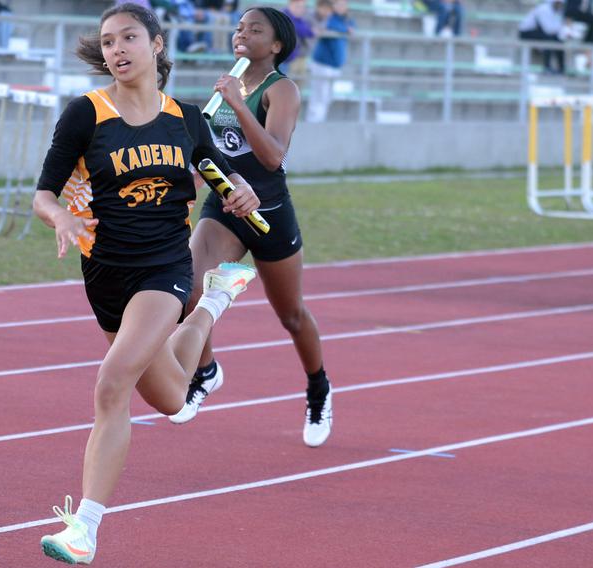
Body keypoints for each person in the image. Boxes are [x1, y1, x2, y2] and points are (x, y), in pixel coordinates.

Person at [32, 4, 260, 564]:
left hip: (163, 269)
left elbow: (215, 173)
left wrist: (240, 190)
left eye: (129, 37)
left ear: (156, 45)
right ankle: (216, 301)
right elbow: (43, 193)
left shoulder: (183, 117)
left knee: (112, 384)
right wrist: (61, 217)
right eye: (108, 42)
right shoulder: (85, 113)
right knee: (173, 400)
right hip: (105, 274)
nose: (117, 50)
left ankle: (83, 530)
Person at [168, 7, 335, 449]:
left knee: (292, 315)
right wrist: (185, 180)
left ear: (276, 44)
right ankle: (205, 371)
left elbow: (273, 156)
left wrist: (239, 103)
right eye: (239, 26)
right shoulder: (227, 84)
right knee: (188, 291)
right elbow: (210, 151)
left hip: (269, 212)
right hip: (225, 204)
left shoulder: (282, 90)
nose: (241, 33)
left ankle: (318, 388)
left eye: (254, 29)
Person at [306, 0, 355, 123]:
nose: (341, 6)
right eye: (338, 4)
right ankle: (314, 123)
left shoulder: (345, 18)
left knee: (327, 97)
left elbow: (352, 25)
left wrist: (348, 28)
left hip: (334, 66)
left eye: (344, 4)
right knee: (319, 96)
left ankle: (319, 122)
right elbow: (330, 25)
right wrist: (346, 29)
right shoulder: (329, 17)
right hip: (323, 64)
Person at [519, 0, 569, 74]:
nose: (560, 6)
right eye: (558, 3)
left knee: (559, 41)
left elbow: (556, 29)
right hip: (527, 32)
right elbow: (548, 29)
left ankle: (562, 68)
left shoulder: (557, 11)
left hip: (542, 32)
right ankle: (547, 67)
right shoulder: (544, 9)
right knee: (549, 40)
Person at [282, 0, 316, 76]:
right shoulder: (283, 15)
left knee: (298, 81)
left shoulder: (299, 18)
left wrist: (310, 31)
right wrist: (311, 31)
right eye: (298, 6)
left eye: (302, 7)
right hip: (284, 59)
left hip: (295, 56)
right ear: (290, 4)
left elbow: (305, 27)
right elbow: (301, 29)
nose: (301, 9)